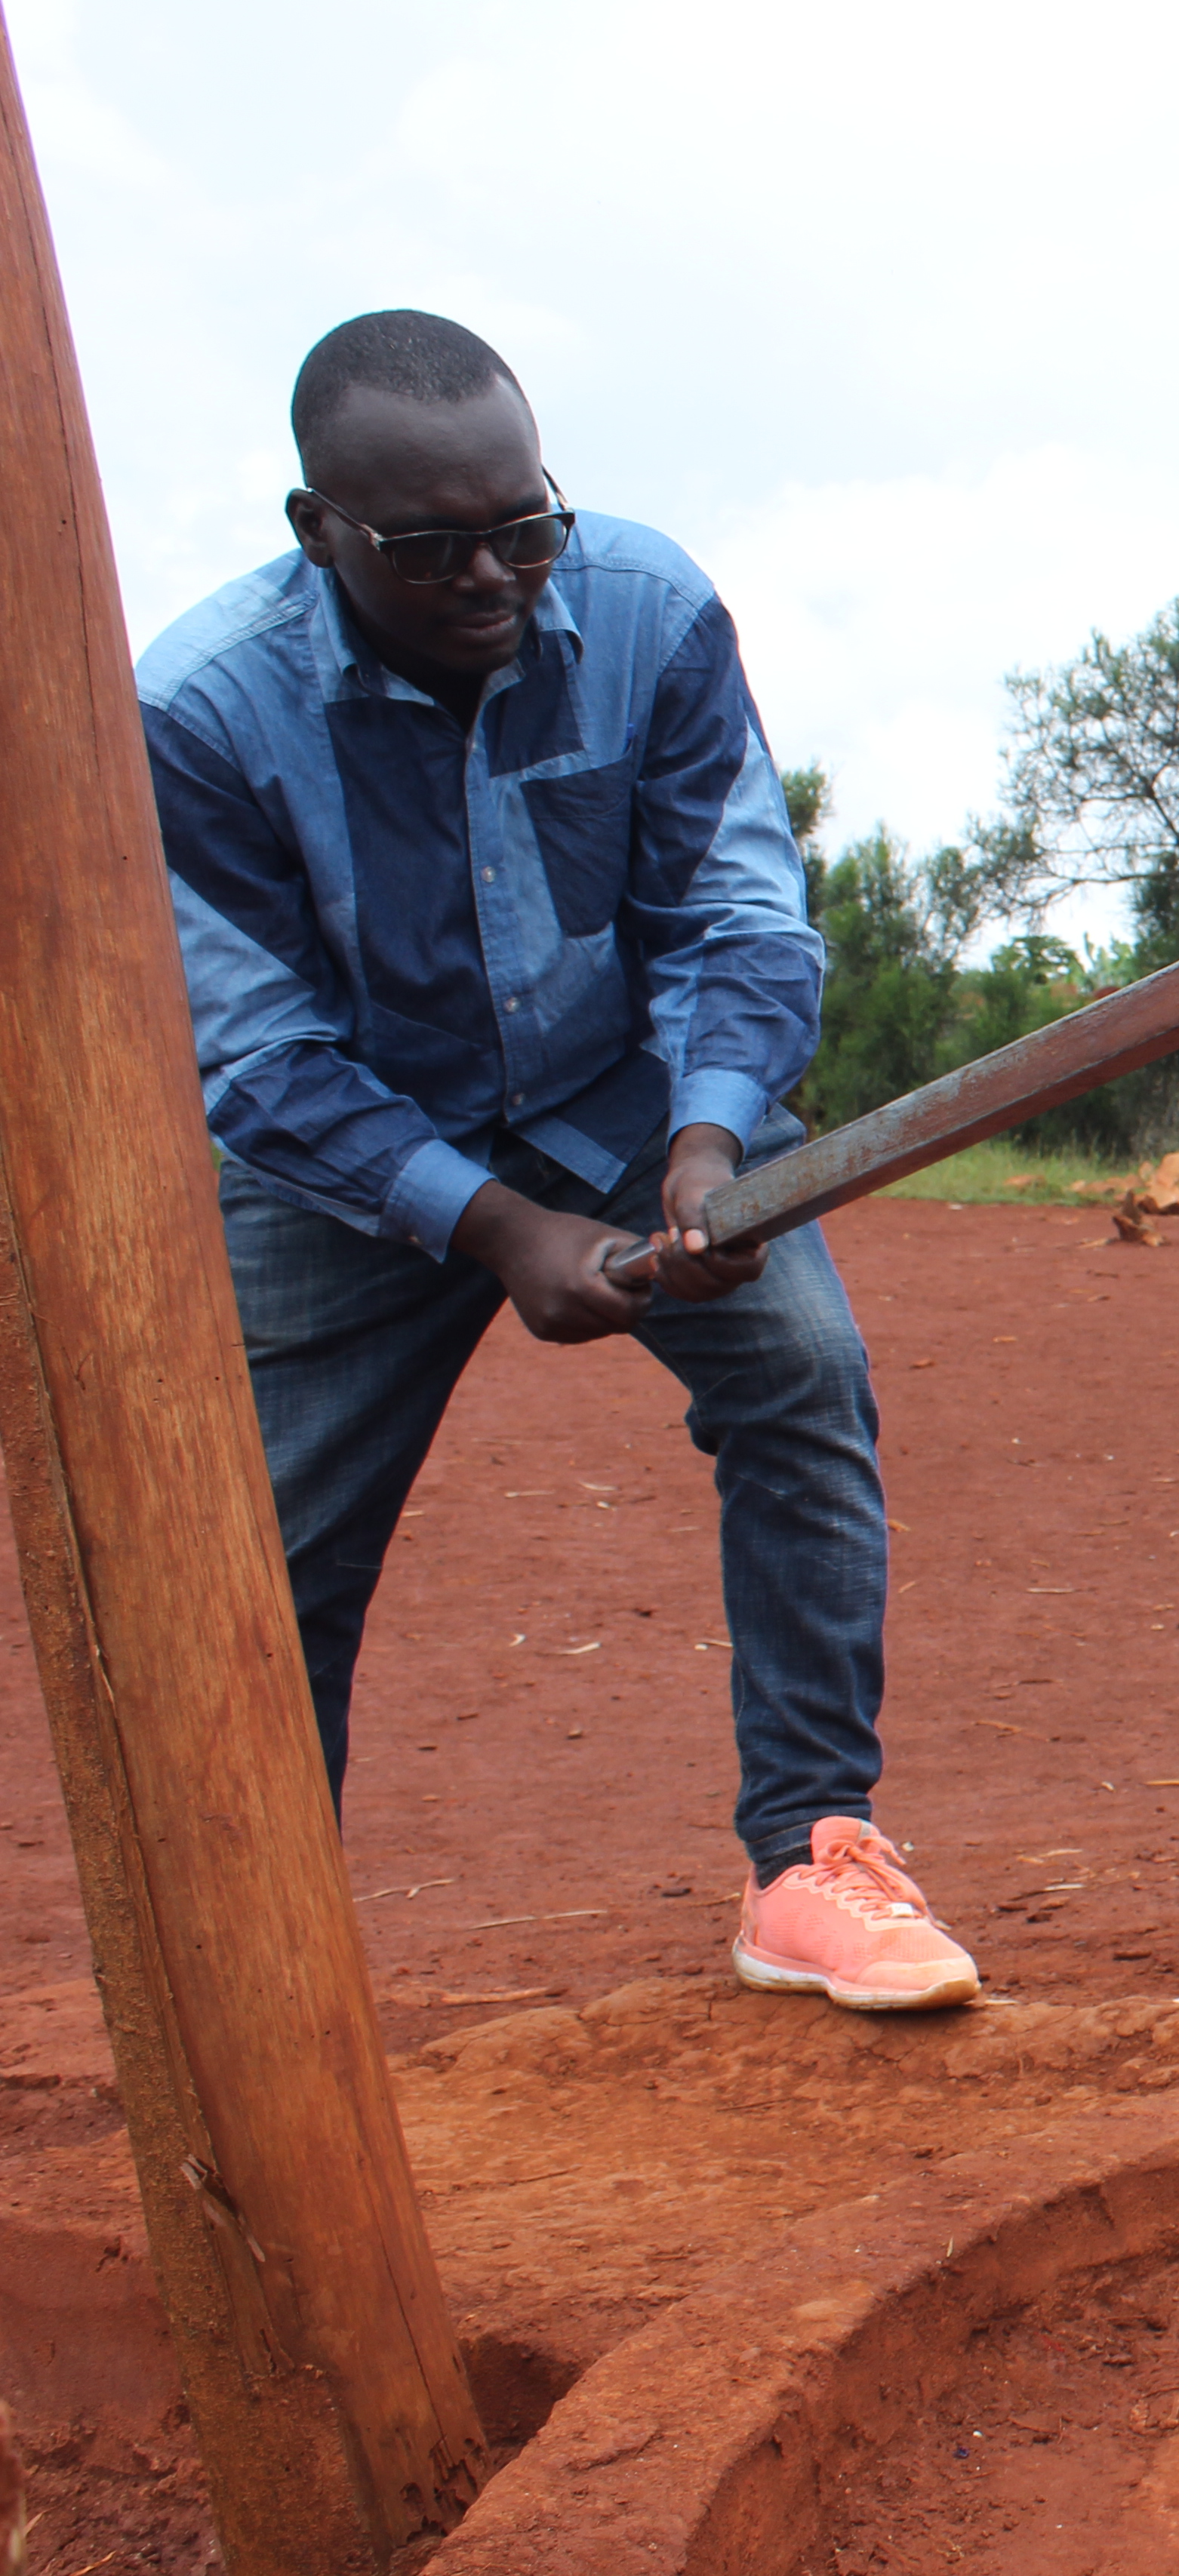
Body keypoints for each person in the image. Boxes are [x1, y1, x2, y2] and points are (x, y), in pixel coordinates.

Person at [137, 309, 980, 2012]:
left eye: (524, 528)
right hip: (351, 1157)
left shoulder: (650, 609)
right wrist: (501, 1231)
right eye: (431, 548)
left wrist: (711, 1142)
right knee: (271, 1549)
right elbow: (258, 1053)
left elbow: (733, 908)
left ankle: (813, 1858)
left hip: (627, 1107)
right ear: (318, 532)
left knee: (804, 1380)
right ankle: (258, 1963)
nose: (495, 577)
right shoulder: (201, 716)